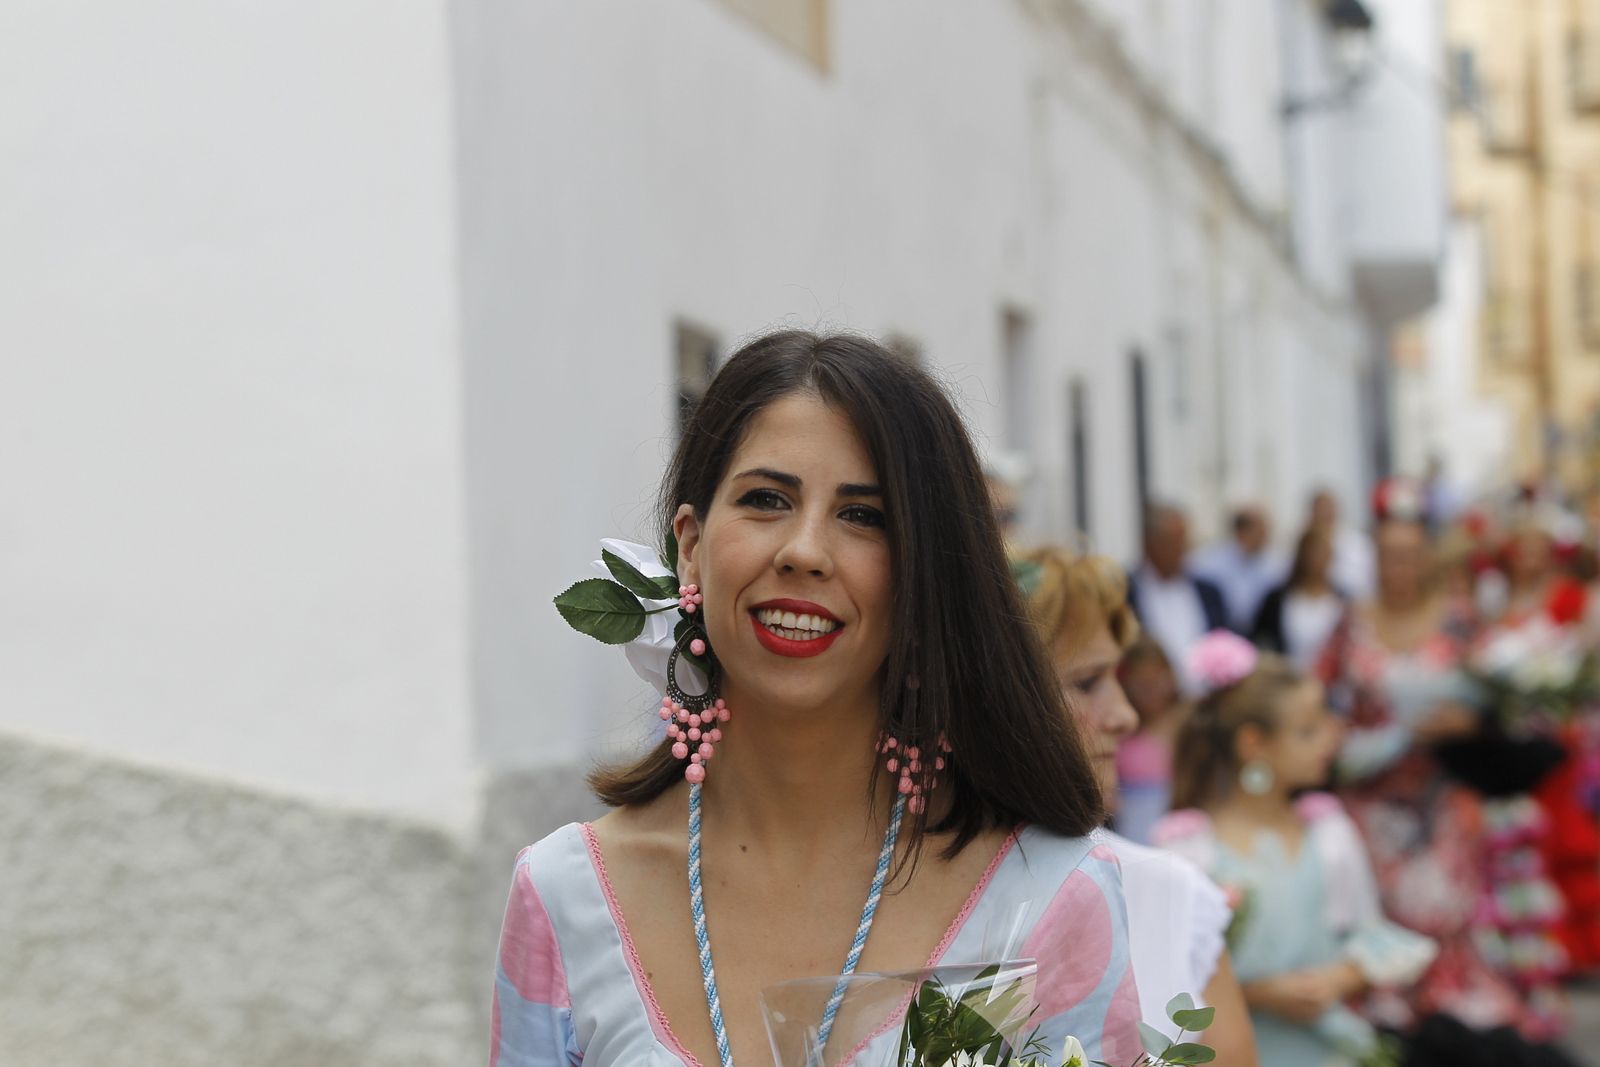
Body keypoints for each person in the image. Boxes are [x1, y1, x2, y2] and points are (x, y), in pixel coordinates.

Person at [490, 332, 1143, 1067]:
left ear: (922, 573)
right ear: (691, 543)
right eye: (766, 499)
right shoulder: (567, 898)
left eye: (864, 515)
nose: (804, 549)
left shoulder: (1048, 896)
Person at [1016, 545, 1259, 1065]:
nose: (1124, 716)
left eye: (1117, 681)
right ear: (998, 696)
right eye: (1087, 682)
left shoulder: (1163, 893)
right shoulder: (891, 898)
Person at [1155, 632, 1438, 1066]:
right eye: (1308, 730)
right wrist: (1255, 993)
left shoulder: (1329, 834)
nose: (1332, 737)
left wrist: (1341, 978)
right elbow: (1164, 977)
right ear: (1254, 745)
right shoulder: (1188, 848)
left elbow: (1366, 935)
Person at [1315, 512, 1531, 1035]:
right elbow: (1320, 700)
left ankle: (1446, 1030)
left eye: (1411, 555)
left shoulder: (1459, 618)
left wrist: (1470, 720)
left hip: (1444, 794)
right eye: (1389, 556)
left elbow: (1501, 699)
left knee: (1444, 916)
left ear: (1427, 559)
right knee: (1383, 919)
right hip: (1371, 802)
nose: (1400, 567)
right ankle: (1392, 1029)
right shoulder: (1351, 620)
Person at [1128, 502, 1228, 697]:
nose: (1180, 550)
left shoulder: (1208, 591)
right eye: (1170, 542)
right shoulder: (1127, 592)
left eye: (1183, 541)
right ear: (1148, 544)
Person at [1113, 638, 1184, 845]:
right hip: (1131, 833)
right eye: (1142, 685)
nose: (1152, 692)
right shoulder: (1121, 727)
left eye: (1157, 681)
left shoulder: (1185, 722)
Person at [1251, 525, 1348, 673]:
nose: (1317, 560)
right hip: (1286, 680)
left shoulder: (1343, 600)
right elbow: (1260, 640)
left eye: (1322, 553)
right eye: (1312, 553)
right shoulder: (1277, 598)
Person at [1191, 505, 1285, 635]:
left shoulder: (1275, 564)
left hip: (1259, 632)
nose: (1264, 535)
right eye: (1260, 530)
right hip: (1220, 629)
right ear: (1241, 531)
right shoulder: (1212, 560)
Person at [1309, 489, 1375, 603]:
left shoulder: (1357, 542)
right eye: (1321, 509)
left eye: (1328, 508)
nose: (1325, 513)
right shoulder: (1305, 545)